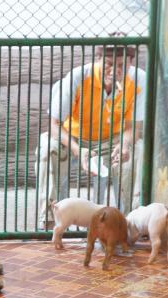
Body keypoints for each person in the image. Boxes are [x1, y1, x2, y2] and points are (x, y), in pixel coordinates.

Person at [36, 36, 146, 229]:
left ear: (131, 62)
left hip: (112, 139)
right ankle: (50, 222)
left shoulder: (139, 79)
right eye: (109, 64)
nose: (115, 71)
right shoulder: (78, 77)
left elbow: (133, 127)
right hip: (72, 138)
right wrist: (79, 150)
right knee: (46, 148)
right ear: (98, 59)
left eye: (122, 65)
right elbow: (54, 125)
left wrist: (125, 144)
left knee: (138, 151)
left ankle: (130, 224)